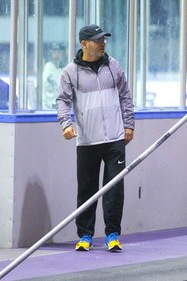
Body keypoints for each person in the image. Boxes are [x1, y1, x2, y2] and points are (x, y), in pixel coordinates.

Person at [56, 24, 135, 252]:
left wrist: (128, 124)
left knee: (114, 190)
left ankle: (112, 234)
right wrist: (66, 124)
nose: (103, 44)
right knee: (87, 189)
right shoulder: (70, 72)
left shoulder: (113, 67)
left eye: (104, 40)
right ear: (84, 44)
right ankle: (85, 236)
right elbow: (62, 100)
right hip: (88, 141)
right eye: (98, 40)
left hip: (115, 139)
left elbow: (125, 97)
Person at [42, 43, 66, 109]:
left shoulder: (65, 68)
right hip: (48, 107)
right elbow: (44, 88)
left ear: (63, 53)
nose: (56, 54)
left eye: (59, 52)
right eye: (54, 52)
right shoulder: (48, 66)